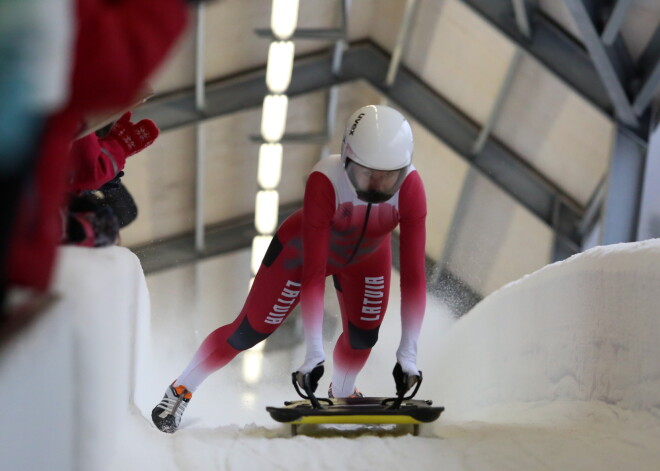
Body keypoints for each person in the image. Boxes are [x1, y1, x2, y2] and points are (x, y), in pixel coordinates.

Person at [152, 105, 428, 433]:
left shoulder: (412, 189)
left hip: (368, 258)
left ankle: (342, 392)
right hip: (301, 253)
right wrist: (313, 352)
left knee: (363, 336)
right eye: (366, 174)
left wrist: (408, 355)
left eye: (389, 178)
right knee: (250, 329)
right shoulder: (325, 180)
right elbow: (313, 274)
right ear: (346, 159)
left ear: (405, 169)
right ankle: (181, 389)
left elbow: (413, 277)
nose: (376, 187)